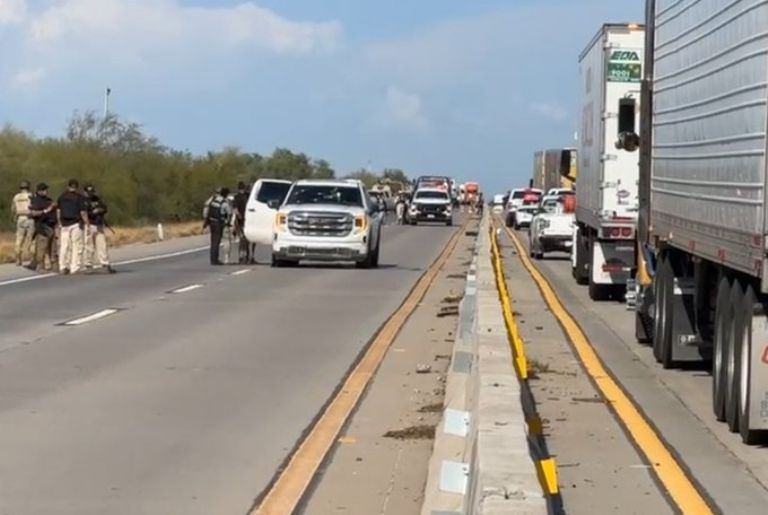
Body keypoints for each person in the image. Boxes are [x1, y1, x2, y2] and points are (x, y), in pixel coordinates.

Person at [57, 179, 88, 275]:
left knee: (64, 246)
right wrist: (87, 223)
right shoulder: (79, 197)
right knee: (76, 246)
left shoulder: (61, 197)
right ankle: (74, 267)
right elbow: (83, 212)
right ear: (77, 187)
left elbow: (58, 211)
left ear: (68, 186)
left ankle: (63, 266)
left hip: (64, 224)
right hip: (76, 223)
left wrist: (59, 223)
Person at [83, 184, 115, 273]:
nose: (91, 194)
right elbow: (83, 213)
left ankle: (105, 263)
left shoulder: (97, 199)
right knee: (89, 245)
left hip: (99, 224)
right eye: (89, 192)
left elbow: (105, 208)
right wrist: (93, 213)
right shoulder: (83, 201)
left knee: (102, 245)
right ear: (85, 192)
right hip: (89, 224)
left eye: (92, 191)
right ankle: (88, 264)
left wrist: (100, 210)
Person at [28, 183, 57, 273]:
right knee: (41, 248)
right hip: (42, 226)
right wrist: (46, 211)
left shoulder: (48, 200)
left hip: (51, 226)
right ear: (39, 191)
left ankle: (53, 265)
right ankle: (39, 266)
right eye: (44, 190)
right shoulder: (36, 201)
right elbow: (33, 213)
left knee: (53, 248)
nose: (46, 191)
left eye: (46, 189)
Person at [205, 187, 232, 265]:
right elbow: (229, 213)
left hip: (211, 222)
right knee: (219, 241)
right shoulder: (224, 203)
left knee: (213, 241)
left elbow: (206, 207)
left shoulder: (213, 200)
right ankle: (216, 260)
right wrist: (228, 222)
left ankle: (212, 259)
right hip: (219, 223)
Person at [11, 180, 34, 266]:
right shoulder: (31, 196)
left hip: (20, 218)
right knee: (31, 240)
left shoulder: (16, 197)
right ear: (28, 187)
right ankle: (32, 259)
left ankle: (18, 259)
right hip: (29, 218)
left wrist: (14, 216)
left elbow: (13, 209)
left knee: (19, 239)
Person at [232, 181, 251, 264]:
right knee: (246, 239)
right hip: (248, 220)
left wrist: (239, 216)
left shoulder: (236, 197)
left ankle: (241, 256)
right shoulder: (248, 196)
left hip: (240, 221)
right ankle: (246, 256)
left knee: (241, 239)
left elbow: (235, 210)